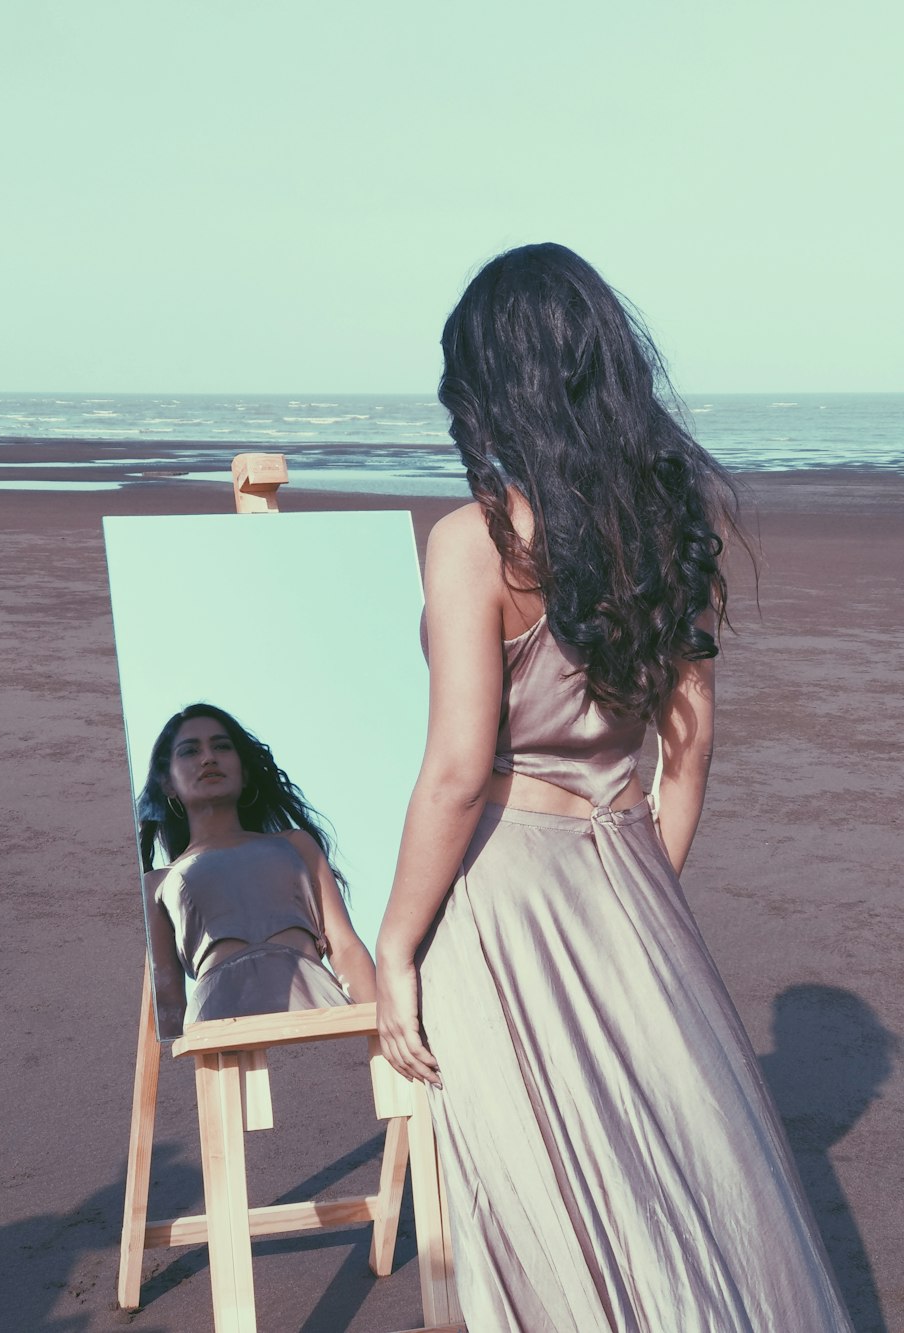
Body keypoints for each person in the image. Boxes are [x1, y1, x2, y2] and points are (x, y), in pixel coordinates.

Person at [376, 244, 852, 1330]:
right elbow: (687, 757)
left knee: (537, 1200)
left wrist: (397, 945)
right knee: (675, 1184)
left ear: (494, 384)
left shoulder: (474, 542)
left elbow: (457, 771)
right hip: (631, 878)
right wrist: (635, 891)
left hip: (502, 897)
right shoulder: (661, 530)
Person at [138, 702, 376, 1035]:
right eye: (190, 751)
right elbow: (167, 999)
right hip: (218, 1026)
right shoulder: (156, 883)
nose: (208, 758)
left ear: (245, 770)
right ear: (167, 783)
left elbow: (346, 947)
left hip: (319, 1010)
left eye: (221, 746)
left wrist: (382, 1029)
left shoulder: (295, 844)